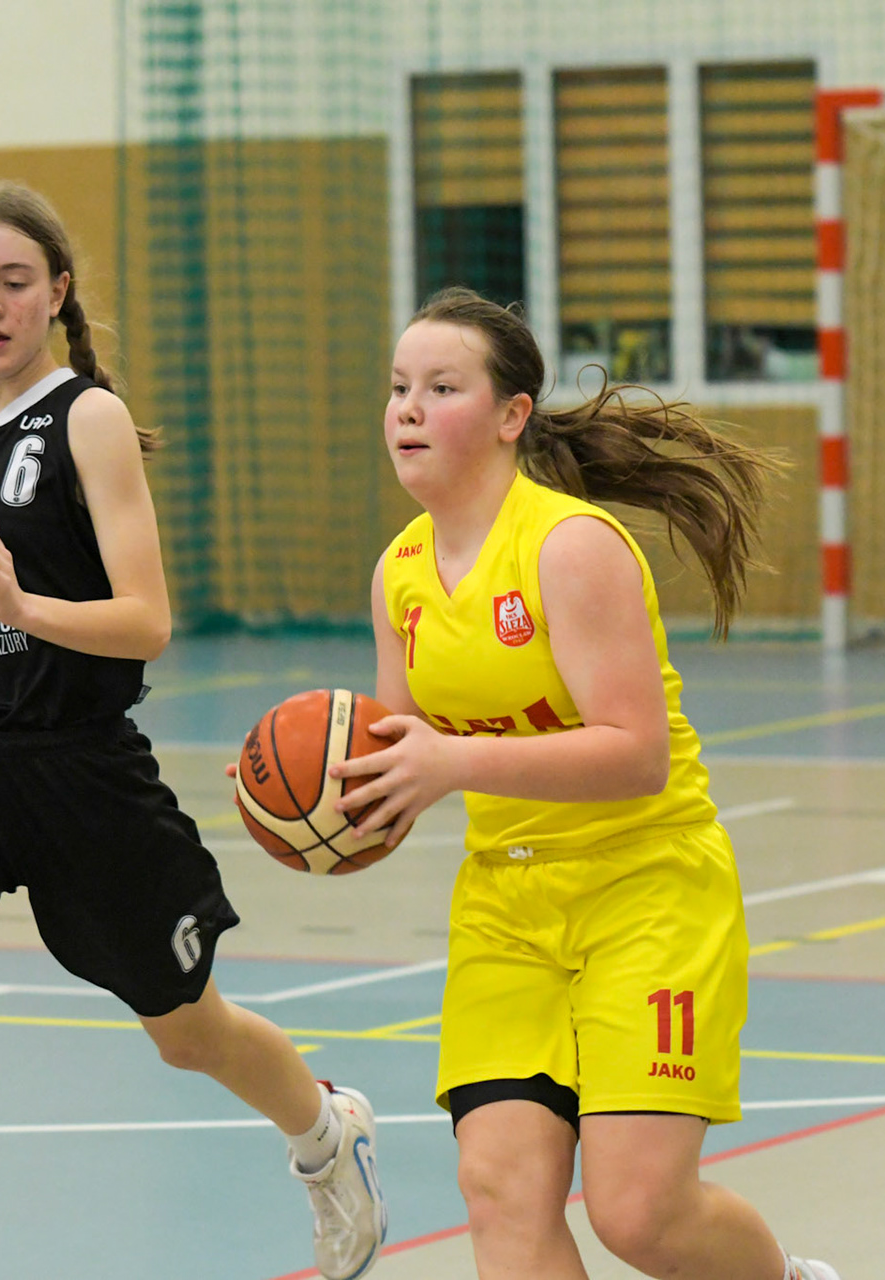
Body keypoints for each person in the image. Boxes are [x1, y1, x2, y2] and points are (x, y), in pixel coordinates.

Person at [0, 181, 386, 1280]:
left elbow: (146, 620)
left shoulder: (87, 419)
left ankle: (325, 1131)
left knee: (189, 1033)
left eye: (14, 282)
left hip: (81, 770)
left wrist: (22, 607)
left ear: (57, 290)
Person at [334, 286, 838, 1279]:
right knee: (500, 1191)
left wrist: (452, 761)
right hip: (505, 904)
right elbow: (400, 756)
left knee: (639, 1213)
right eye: (398, 388)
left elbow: (635, 753)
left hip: (645, 886)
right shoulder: (400, 572)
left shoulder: (570, 546)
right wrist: (321, 797)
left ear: (511, 415)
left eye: (442, 388)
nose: (408, 410)